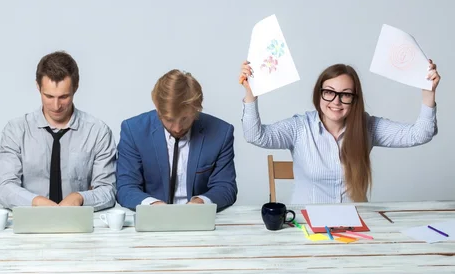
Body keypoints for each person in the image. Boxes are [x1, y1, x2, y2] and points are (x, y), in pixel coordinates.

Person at [239, 60, 440, 204]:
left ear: (354, 99)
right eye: (329, 92)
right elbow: (255, 135)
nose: (336, 101)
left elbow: (420, 134)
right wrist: (251, 94)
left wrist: (428, 93)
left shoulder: (367, 126)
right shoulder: (299, 127)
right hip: (308, 225)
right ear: (319, 94)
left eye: (345, 95)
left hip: (355, 225)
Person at [0, 51, 116, 211]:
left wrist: (80, 198)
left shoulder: (98, 132)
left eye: (64, 97)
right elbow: (4, 187)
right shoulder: (16, 130)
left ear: (76, 87)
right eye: (49, 96)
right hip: (31, 218)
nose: (56, 106)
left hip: (77, 220)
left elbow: (108, 190)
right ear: (38, 87)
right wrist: (36, 201)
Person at [116, 69, 238, 211]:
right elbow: (126, 188)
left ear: (196, 109)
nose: (178, 128)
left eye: (185, 118)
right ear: (158, 110)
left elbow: (226, 187)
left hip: (200, 219)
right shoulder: (133, 131)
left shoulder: (221, 132)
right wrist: (154, 206)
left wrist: (200, 203)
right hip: (151, 219)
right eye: (169, 120)